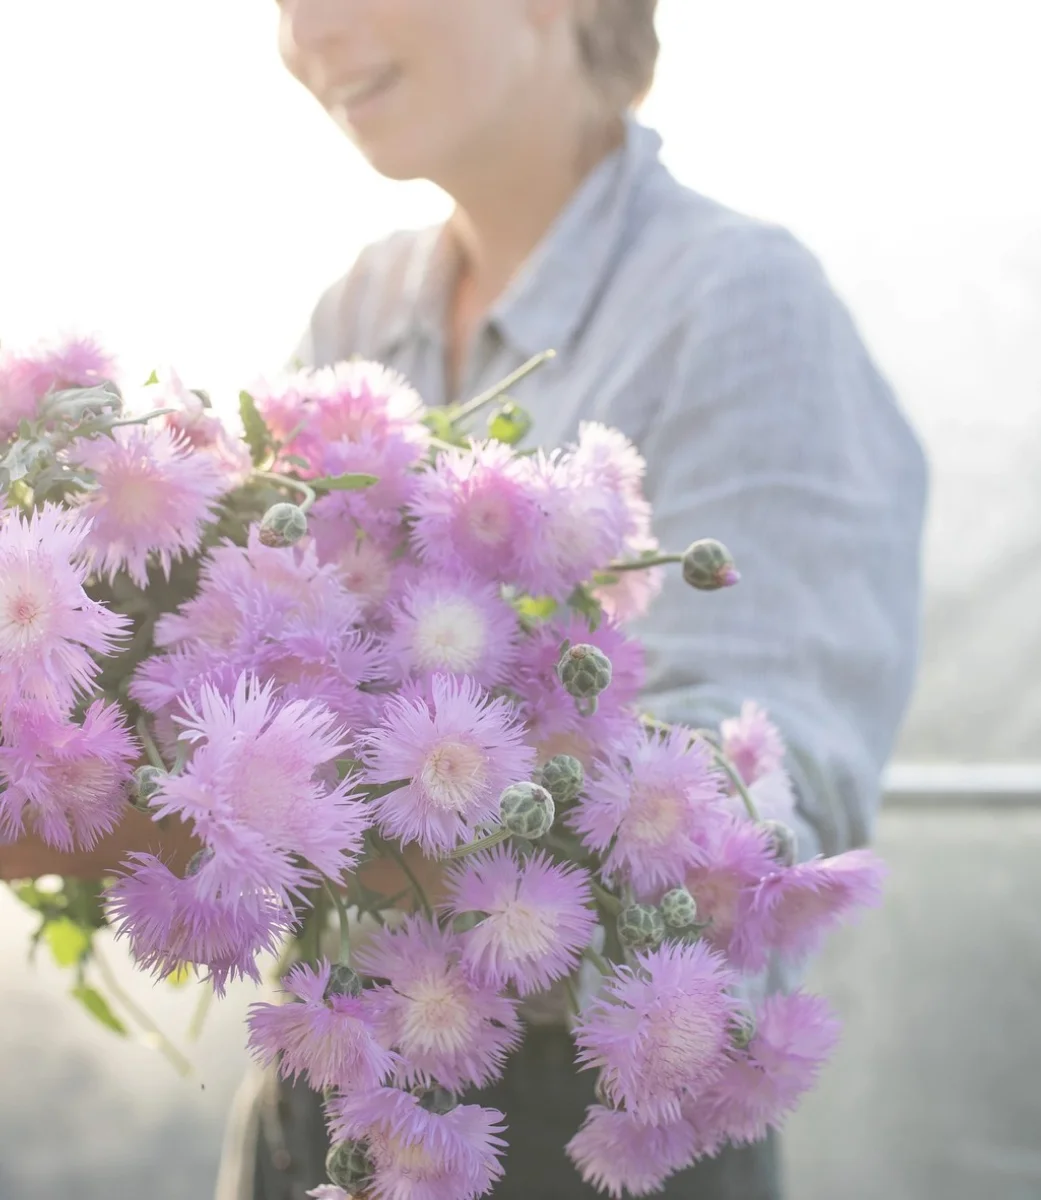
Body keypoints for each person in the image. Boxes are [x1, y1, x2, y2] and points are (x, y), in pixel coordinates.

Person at [1, 2, 927, 1197]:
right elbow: (225, 637)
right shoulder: (366, 304)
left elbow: (751, 834)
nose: (308, 32)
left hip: (588, 1131)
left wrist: (197, 820)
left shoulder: (740, 304)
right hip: (330, 1095)